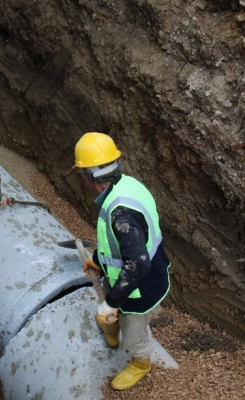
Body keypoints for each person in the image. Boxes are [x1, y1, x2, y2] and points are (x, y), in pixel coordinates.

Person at [74, 131, 171, 390]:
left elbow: (137, 264)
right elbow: (115, 243)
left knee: (134, 329)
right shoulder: (126, 185)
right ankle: (111, 328)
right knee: (112, 312)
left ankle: (141, 362)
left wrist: (112, 303)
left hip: (140, 287)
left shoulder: (121, 213)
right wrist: (97, 259)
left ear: (89, 177)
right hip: (138, 275)